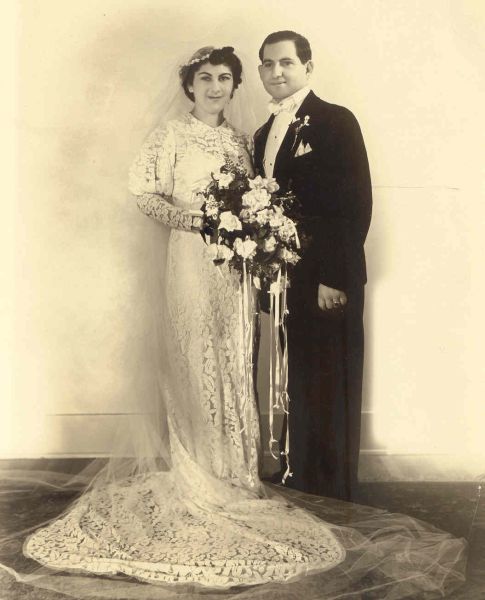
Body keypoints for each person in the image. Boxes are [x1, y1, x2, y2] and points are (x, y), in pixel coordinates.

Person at [4, 45, 466, 600]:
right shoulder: (172, 136)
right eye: (205, 78)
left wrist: (250, 235)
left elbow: (261, 204)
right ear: (189, 85)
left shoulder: (242, 142)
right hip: (190, 262)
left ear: (235, 85)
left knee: (235, 357)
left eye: (225, 77)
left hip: (234, 271)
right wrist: (195, 222)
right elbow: (145, 195)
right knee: (195, 357)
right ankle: (199, 471)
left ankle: (236, 473)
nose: (216, 87)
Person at [254, 30, 372, 500]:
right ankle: (302, 478)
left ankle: (333, 491)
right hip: (288, 278)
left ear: (307, 67)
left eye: (286, 62)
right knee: (299, 377)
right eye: (268, 64)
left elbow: (354, 203)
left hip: (327, 276)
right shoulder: (263, 133)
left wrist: (333, 277)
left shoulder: (335, 120)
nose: (276, 71)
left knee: (331, 379)